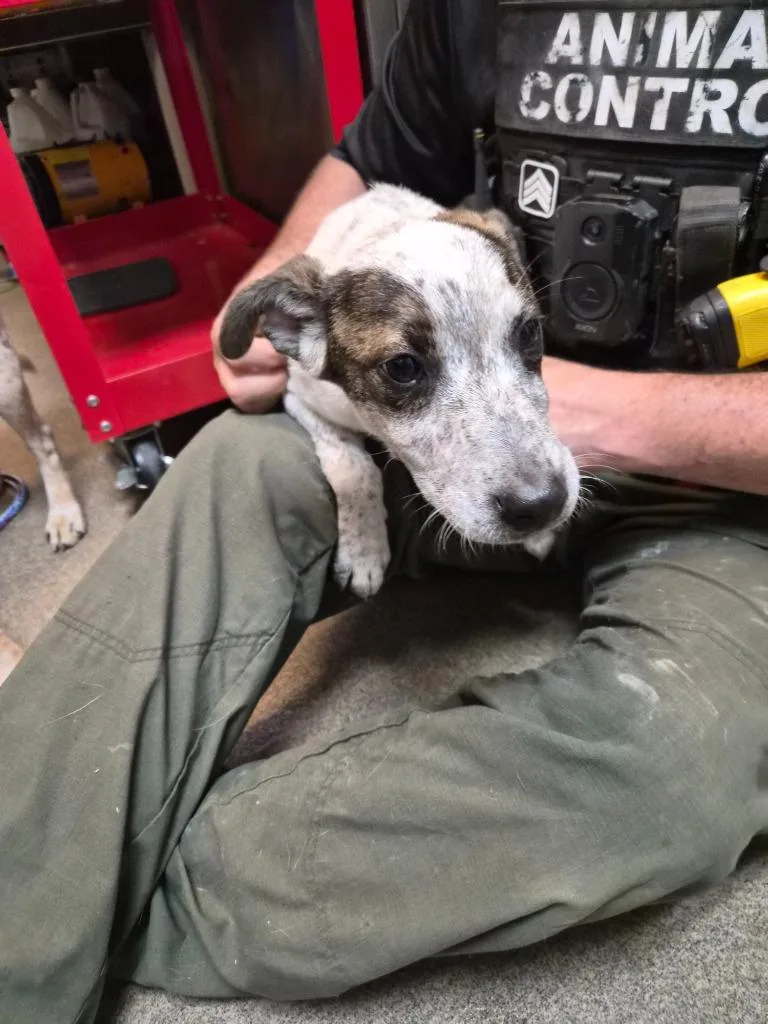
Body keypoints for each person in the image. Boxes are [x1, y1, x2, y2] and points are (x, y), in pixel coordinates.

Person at [2, 2, 768, 1020]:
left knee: (676, 754)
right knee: (234, 466)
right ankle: (23, 902)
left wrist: (607, 413)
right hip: (429, 439)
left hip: (719, 485)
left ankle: (95, 880)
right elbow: (370, 158)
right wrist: (285, 286)